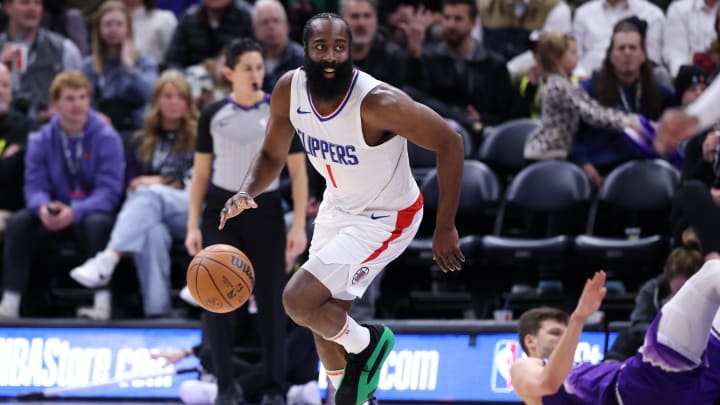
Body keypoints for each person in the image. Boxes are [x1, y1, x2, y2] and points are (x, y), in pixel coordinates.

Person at [218, 13, 465, 405]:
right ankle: (358, 400)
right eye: (321, 47)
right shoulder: (289, 90)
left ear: (350, 51)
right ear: (306, 51)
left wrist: (445, 226)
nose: (331, 56)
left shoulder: (379, 103)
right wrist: (247, 190)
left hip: (387, 216)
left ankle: (369, 344)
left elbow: (450, 141)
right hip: (337, 205)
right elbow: (270, 154)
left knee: (298, 300)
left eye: (339, 47)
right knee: (323, 317)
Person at [184, 37, 309, 405]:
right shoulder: (213, 114)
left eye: (260, 67)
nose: (257, 74)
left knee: (272, 301)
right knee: (216, 300)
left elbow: (298, 175)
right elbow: (201, 174)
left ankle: (274, 388)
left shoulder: (280, 112)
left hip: (264, 210)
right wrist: (192, 224)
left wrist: (298, 224)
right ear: (229, 73)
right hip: (221, 214)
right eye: (248, 68)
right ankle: (225, 386)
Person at [67, 70, 197, 320]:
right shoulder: (140, 140)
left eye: (180, 96)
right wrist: (153, 185)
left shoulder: (201, 135)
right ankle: (158, 313)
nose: (173, 102)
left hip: (192, 211)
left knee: (149, 195)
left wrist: (158, 182)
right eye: (167, 96)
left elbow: (200, 181)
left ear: (188, 102)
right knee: (150, 232)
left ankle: (109, 257)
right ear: (157, 101)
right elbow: (131, 184)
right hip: (151, 214)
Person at [0, 71, 124, 318]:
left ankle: (102, 303)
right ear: (55, 103)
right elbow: (33, 187)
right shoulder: (40, 139)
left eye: (82, 97)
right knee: (20, 222)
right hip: (54, 210)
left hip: (90, 211)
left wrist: (75, 211)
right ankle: (10, 302)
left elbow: (109, 192)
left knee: (98, 224)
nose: (77, 105)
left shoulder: (108, 137)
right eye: (69, 98)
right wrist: (43, 208)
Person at [511, 264, 720, 404]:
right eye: (555, 332)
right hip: (638, 390)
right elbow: (547, 384)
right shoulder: (523, 367)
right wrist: (578, 317)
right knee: (713, 272)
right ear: (530, 341)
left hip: (694, 392)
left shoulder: (581, 369)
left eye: (566, 332)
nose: (566, 338)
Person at [523, 32, 674, 163]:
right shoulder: (558, 86)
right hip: (544, 155)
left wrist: (638, 121)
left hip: (557, 155)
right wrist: (629, 122)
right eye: (573, 52)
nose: (579, 56)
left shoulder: (566, 83)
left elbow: (595, 107)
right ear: (556, 59)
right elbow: (592, 114)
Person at [605, 243, 704, 361]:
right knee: (627, 335)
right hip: (658, 344)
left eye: (686, 290)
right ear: (669, 277)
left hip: (694, 346)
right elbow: (639, 324)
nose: (681, 295)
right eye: (678, 289)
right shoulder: (652, 290)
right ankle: (610, 371)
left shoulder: (707, 294)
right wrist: (662, 337)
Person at [82, 0, 158, 134]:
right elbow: (82, 101)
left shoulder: (144, 62)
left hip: (136, 130)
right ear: (99, 29)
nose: (113, 29)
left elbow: (152, 94)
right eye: (108, 24)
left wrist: (129, 66)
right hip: (100, 130)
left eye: (119, 24)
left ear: (128, 28)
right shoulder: (89, 66)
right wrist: (94, 117)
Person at [0, 0, 83, 122]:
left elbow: (82, 97)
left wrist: (60, 110)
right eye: (25, 2)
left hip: (50, 129)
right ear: (8, 7)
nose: (32, 8)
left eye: (37, 3)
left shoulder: (65, 49)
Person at [0, 63, 33, 234]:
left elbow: (12, 172)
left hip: (8, 208)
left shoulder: (24, 126)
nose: (0, 91)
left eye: (5, 85)